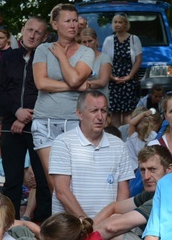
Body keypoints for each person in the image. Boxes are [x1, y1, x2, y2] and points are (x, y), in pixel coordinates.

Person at [32, 3, 95, 190]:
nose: (73, 25)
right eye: (67, 20)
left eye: (75, 20)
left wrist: (61, 56)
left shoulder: (86, 52)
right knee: (55, 183)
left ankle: (80, 219)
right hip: (44, 120)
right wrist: (76, 88)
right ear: (55, 24)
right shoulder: (43, 49)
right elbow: (41, 83)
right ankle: (62, 219)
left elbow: (75, 78)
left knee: (76, 180)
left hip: (74, 120)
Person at [0, 16, 51, 222]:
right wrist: (16, 111)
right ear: (22, 30)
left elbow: (47, 91)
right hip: (11, 123)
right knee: (12, 180)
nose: (32, 35)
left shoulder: (46, 58)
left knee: (43, 179)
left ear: (44, 37)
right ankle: (10, 224)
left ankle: (45, 225)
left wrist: (26, 116)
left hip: (38, 124)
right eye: (29, 30)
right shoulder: (8, 58)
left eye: (38, 32)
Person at [49, 90, 133, 218]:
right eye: (94, 111)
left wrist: (114, 221)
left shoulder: (118, 145)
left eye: (103, 111)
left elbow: (123, 191)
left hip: (108, 226)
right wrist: (86, 222)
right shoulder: (63, 142)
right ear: (79, 114)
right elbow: (62, 192)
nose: (100, 117)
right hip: (70, 226)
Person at [94, 145, 172, 240]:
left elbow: (111, 227)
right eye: (142, 170)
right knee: (116, 217)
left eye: (152, 169)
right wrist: (86, 228)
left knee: (116, 237)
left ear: (169, 169)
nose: (146, 177)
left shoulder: (168, 194)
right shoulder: (155, 190)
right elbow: (114, 207)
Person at [103, 13, 143, 126]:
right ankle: (116, 138)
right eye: (115, 22)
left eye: (120, 22)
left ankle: (127, 137)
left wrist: (129, 76)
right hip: (113, 80)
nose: (117, 24)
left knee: (127, 113)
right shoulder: (108, 40)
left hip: (129, 81)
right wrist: (111, 77)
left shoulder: (134, 39)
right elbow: (105, 60)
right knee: (115, 113)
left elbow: (138, 60)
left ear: (126, 24)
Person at [79, 27, 112, 101]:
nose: (87, 44)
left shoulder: (104, 58)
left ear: (96, 40)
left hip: (99, 99)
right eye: (84, 42)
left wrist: (83, 84)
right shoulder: (79, 59)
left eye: (90, 41)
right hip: (83, 99)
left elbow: (103, 82)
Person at [126, 107, 160, 171]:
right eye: (141, 121)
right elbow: (131, 124)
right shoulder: (133, 135)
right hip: (133, 168)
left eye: (146, 120)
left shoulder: (153, 135)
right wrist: (143, 114)